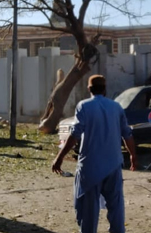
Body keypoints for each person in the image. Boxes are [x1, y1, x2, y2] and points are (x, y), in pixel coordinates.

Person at [52, 75, 137, 233]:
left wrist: (60, 157)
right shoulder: (116, 107)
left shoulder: (84, 106)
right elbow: (127, 134)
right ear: (105, 89)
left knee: (88, 209)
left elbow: (75, 135)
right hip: (113, 164)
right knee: (116, 206)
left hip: (91, 166)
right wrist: (132, 155)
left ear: (89, 89)